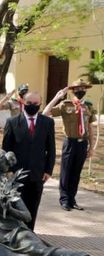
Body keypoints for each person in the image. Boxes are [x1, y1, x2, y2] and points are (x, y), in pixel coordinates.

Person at [2, 91, 56, 230]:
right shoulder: (12, 122)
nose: (32, 106)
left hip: (37, 174)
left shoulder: (47, 122)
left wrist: (48, 170)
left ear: (40, 104)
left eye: (36, 104)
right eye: (29, 103)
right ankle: (16, 233)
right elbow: (6, 149)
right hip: (16, 174)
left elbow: (51, 148)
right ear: (23, 103)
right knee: (16, 207)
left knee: (33, 206)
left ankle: (30, 233)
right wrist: (7, 171)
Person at [43, 79, 96, 211]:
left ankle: (72, 199)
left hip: (82, 143)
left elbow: (90, 127)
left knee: (76, 173)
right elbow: (45, 113)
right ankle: (65, 200)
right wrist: (57, 97)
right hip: (70, 142)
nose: (80, 91)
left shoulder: (88, 106)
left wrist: (92, 146)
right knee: (66, 171)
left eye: (83, 88)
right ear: (73, 90)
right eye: (78, 89)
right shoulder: (65, 105)